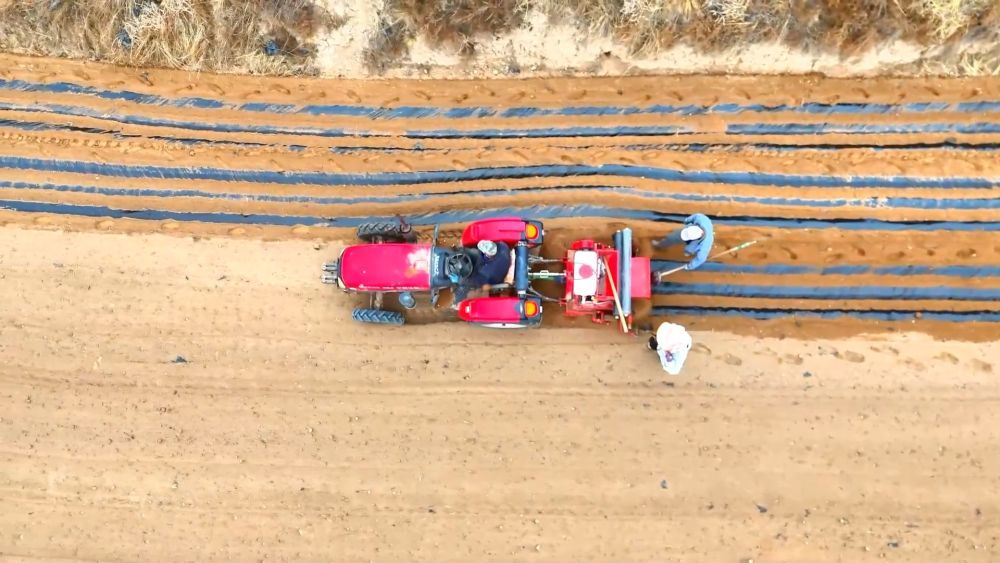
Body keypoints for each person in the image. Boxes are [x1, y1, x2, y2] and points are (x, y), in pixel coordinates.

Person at [450, 240, 511, 308]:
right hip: (501, 263)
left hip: (492, 277)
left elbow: (471, 281)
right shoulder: (502, 247)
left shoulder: (484, 275)